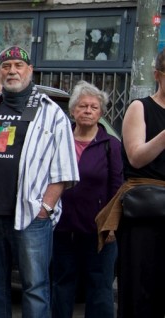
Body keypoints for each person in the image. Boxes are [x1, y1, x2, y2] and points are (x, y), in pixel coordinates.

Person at [0, 46, 79, 318]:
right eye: (6, 66)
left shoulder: (51, 113)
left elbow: (64, 169)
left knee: (35, 288)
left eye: (19, 65)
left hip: (31, 216)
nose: (12, 71)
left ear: (30, 71)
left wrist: (46, 207)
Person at [98, 48, 165, 318]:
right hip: (147, 210)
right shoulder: (141, 107)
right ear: (158, 75)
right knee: (140, 287)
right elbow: (136, 157)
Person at [50, 81, 121, 318]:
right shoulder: (58, 140)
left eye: (93, 107)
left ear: (101, 112)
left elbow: (117, 186)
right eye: (82, 106)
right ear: (72, 111)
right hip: (63, 227)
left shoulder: (111, 145)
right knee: (62, 284)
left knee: (100, 287)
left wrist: (111, 225)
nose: (88, 111)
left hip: (99, 230)